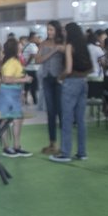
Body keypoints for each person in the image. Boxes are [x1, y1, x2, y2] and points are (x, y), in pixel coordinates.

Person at [50, 22, 93, 163]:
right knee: (80, 120)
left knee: (67, 119)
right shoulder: (83, 46)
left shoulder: (69, 46)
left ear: (69, 32)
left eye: (64, 30)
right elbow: (91, 67)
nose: (63, 33)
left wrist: (60, 78)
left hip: (71, 83)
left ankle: (65, 153)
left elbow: (68, 69)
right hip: (83, 82)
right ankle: (82, 152)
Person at [0, 38, 32, 157]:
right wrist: (24, 80)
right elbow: (5, 79)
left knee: (17, 119)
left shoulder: (15, 60)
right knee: (5, 119)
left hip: (14, 92)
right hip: (8, 93)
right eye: (19, 45)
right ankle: (6, 147)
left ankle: (17, 146)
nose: (21, 46)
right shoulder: (11, 62)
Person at [36, 20, 65, 154]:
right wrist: (53, 51)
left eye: (51, 29)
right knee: (50, 112)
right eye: (48, 29)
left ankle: (64, 143)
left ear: (57, 30)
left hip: (59, 80)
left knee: (61, 112)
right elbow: (38, 60)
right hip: (47, 79)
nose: (49, 32)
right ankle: (52, 142)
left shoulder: (63, 43)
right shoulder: (43, 44)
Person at [22, 32, 40, 106]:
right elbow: (33, 55)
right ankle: (35, 100)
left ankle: (25, 99)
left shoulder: (27, 45)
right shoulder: (32, 45)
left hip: (28, 68)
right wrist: (27, 63)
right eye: (36, 38)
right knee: (33, 85)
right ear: (32, 38)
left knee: (27, 85)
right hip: (32, 68)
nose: (37, 39)